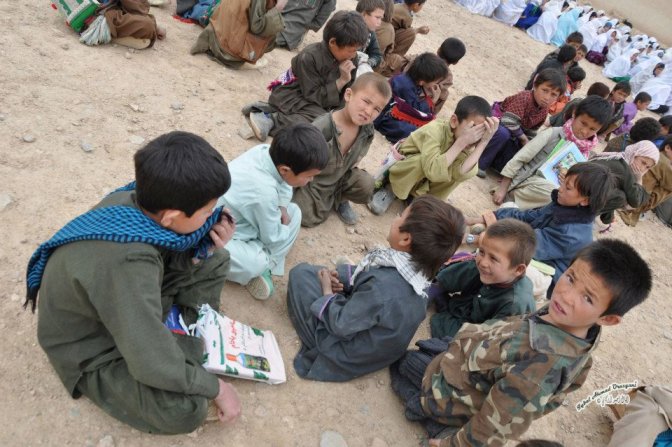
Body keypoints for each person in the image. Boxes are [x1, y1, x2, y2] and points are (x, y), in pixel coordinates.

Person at [28, 131, 242, 434]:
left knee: (214, 259)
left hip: (119, 299)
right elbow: (149, 362)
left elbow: (162, 256)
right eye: (207, 211)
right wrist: (216, 388)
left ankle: (185, 338)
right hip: (91, 344)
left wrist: (201, 251)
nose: (212, 215)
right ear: (171, 216)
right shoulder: (129, 262)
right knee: (185, 409)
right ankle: (181, 350)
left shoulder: (136, 200)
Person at [390, 238, 652, 446]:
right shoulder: (573, 327)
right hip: (473, 362)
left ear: (608, 319)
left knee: (403, 362)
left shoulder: (543, 366)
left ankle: (443, 427)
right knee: (428, 353)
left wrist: (454, 444)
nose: (566, 295)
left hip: (457, 395)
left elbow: (499, 422)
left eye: (588, 298)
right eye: (571, 278)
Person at [287, 195, 465, 382]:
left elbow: (340, 325)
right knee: (326, 275)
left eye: (400, 216)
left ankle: (320, 343)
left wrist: (327, 292)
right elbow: (371, 277)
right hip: (375, 351)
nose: (396, 217)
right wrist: (341, 278)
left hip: (342, 354)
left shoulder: (382, 288)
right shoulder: (419, 279)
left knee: (302, 274)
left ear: (405, 239)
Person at [218, 124, 328, 300]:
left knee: (294, 212)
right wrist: (281, 227)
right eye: (308, 176)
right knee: (252, 263)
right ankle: (264, 266)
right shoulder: (263, 191)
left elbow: (283, 185)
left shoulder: (265, 152)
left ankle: (263, 259)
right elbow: (272, 237)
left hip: (247, 219)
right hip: (223, 232)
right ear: (285, 170)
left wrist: (282, 206)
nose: (312, 180)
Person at [476, 162, 613, 285]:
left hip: (547, 274)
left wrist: (487, 234)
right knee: (509, 207)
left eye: (568, 188)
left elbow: (525, 248)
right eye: (563, 182)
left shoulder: (571, 234)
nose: (560, 189)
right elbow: (529, 217)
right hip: (533, 243)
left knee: (506, 260)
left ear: (585, 200)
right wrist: (492, 217)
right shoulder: (564, 204)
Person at [244, 11, 369, 141]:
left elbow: (346, 96)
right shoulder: (309, 56)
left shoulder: (351, 59)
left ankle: (272, 110)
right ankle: (270, 119)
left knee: (334, 124)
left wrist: (341, 115)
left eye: (356, 50)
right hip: (291, 94)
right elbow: (313, 95)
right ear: (333, 42)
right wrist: (341, 81)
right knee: (320, 123)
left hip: (319, 102)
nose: (353, 55)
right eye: (351, 50)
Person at [292, 72, 391, 227]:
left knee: (366, 184)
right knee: (302, 215)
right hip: (312, 181)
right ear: (348, 95)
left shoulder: (367, 131)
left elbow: (353, 162)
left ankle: (340, 199)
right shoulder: (323, 127)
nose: (368, 111)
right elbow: (296, 160)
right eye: (366, 101)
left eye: (377, 109)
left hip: (339, 178)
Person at [369, 95, 498, 214]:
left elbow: (462, 174)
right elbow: (432, 170)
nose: (475, 135)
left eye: (481, 130)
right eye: (473, 127)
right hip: (403, 169)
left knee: (455, 172)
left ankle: (418, 200)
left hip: (424, 179)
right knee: (421, 163)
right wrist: (461, 142)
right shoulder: (435, 130)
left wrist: (484, 142)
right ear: (454, 121)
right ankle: (391, 189)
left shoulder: (468, 142)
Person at [493, 96, 612, 210]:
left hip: (552, 190)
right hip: (527, 182)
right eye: (583, 123)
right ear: (575, 114)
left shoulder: (585, 154)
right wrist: (503, 188)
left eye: (592, 129)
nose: (585, 131)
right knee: (552, 193)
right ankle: (514, 202)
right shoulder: (553, 134)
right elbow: (520, 158)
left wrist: (567, 180)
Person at [429, 218, 537, 339]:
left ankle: (444, 307)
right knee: (463, 270)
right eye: (481, 251)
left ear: (518, 269)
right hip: (467, 307)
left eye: (493, 258)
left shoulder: (515, 304)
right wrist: (434, 288)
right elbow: (453, 276)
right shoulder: (490, 270)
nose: (483, 262)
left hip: (484, 330)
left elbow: (491, 338)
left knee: (452, 334)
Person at [478, 68, 566, 177]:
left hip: (514, 134)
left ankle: (496, 165)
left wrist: (530, 143)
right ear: (535, 85)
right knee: (503, 133)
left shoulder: (544, 111)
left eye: (553, 94)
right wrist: (523, 139)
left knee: (523, 147)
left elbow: (532, 131)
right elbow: (508, 121)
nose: (547, 98)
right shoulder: (524, 97)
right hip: (496, 125)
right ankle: (480, 163)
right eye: (545, 90)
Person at [373, 53, 448, 143]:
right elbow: (414, 110)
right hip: (383, 118)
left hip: (390, 113)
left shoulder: (410, 79)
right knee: (413, 132)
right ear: (422, 82)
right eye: (435, 82)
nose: (436, 85)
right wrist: (432, 101)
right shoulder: (406, 86)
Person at [190, 0, 286, 69]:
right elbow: (257, 27)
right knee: (273, 23)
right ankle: (243, 56)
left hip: (214, 31)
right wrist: (278, 8)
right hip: (227, 50)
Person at [590, 141, 659, 225]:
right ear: (634, 154)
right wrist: (639, 179)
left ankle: (607, 218)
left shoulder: (620, 157)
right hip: (584, 193)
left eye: (647, 167)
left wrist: (608, 219)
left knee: (619, 191)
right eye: (643, 162)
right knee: (622, 197)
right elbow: (636, 201)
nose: (642, 168)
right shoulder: (624, 169)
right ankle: (585, 217)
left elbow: (611, 187)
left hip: (587, 188)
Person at [618, 136, 672, 226]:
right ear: (667, 148)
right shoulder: (664, 163)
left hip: (626, 188)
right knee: (668, 189)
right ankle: (634, 210)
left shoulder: (654, 155)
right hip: (634, 197)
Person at [356, 0, 386, 71]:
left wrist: (367, 63)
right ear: (364, 15)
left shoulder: (370, 33)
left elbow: (377, 55)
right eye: (377, 17)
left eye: (381, 18)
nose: (379, 22)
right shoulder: (347, 29)